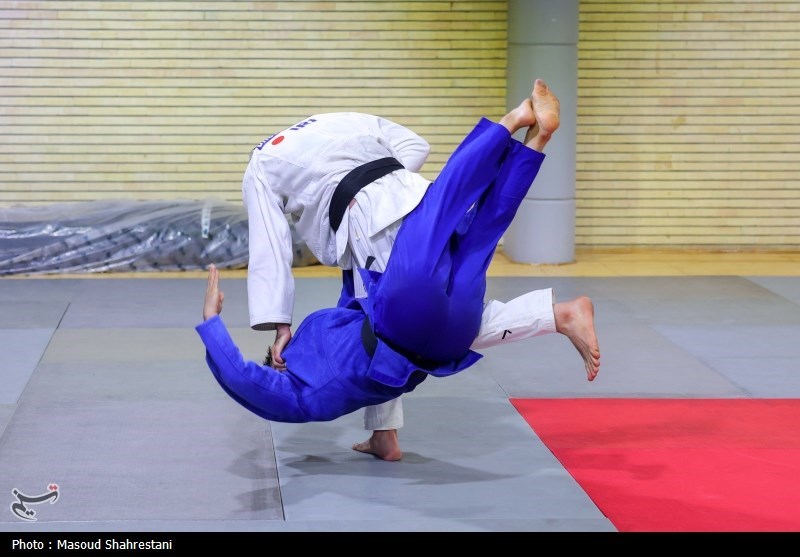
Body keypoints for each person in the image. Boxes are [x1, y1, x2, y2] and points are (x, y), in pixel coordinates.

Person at [197, 80, 600, 435]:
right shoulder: (337, 120)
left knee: (479, 237)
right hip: (409, 191)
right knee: (460, 211)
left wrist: (278, 321)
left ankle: (522, 129)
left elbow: (271, 246)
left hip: (369, 225)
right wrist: (387, 184)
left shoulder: (260, 164)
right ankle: (383, 433)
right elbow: (415, 146)